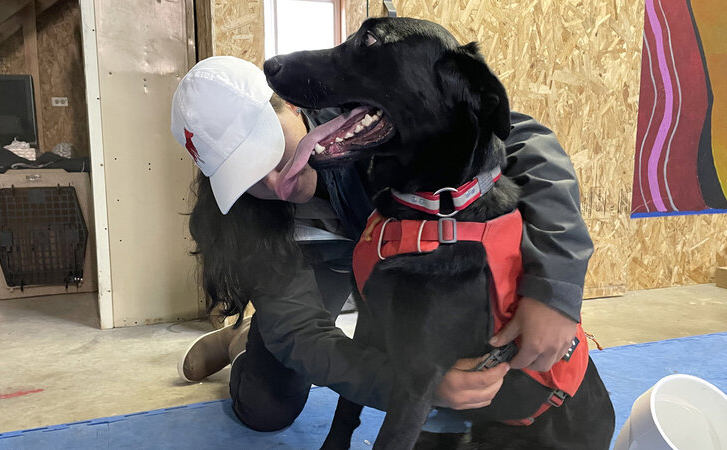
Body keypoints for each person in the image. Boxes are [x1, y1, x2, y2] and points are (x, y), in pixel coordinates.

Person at [170, 56, 592, 432]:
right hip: (320, 267)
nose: (275, 183)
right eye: (248, 176)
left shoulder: (374, 116)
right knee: (266, 410)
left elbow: (526, 141)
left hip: (400, 260)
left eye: (271, 152)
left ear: (293, 106)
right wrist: (413, 387)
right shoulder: (248, 218)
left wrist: (556, 288)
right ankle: (241, 341)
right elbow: (301, 332)